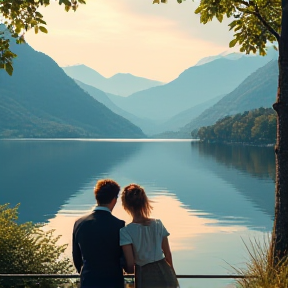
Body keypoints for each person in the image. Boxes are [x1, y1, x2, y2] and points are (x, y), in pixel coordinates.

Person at [120, 184, 179, 288]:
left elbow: (130, 264)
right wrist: (173, 276)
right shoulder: (158, 224)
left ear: (126, 206)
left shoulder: (126, 231)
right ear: (144, 202)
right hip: (165, 272)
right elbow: (168, 255)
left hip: (144, 275)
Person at [72, 179, 125, 288]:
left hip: (88, 280)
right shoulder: (119, 225)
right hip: (113, 281)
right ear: (114, 200)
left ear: (97, 197)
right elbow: (124, 258)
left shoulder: (79, 223)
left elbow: (76, 257)